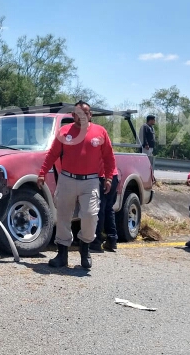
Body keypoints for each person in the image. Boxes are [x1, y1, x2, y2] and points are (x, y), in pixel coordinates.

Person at [37, 101, 116, 269]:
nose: (82, 116)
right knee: (64, 217)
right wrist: (42, 172)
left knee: (90, 215)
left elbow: (109, 157)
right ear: (73, 116)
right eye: (78, 113)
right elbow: (52, 154)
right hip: (67, 179)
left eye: (85, 113)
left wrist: (109, 178)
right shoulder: (64, 132)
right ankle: (62, 255)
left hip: (91, 181)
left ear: (90, 115)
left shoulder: (100, 132)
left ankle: (85, 249)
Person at [90, 164, 120, 252]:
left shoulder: (96, 149)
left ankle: (96, 241)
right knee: (109, 209)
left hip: (102, 177)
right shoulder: (109, 149)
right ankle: (112, 239)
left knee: (100, 209)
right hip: (113, 176)